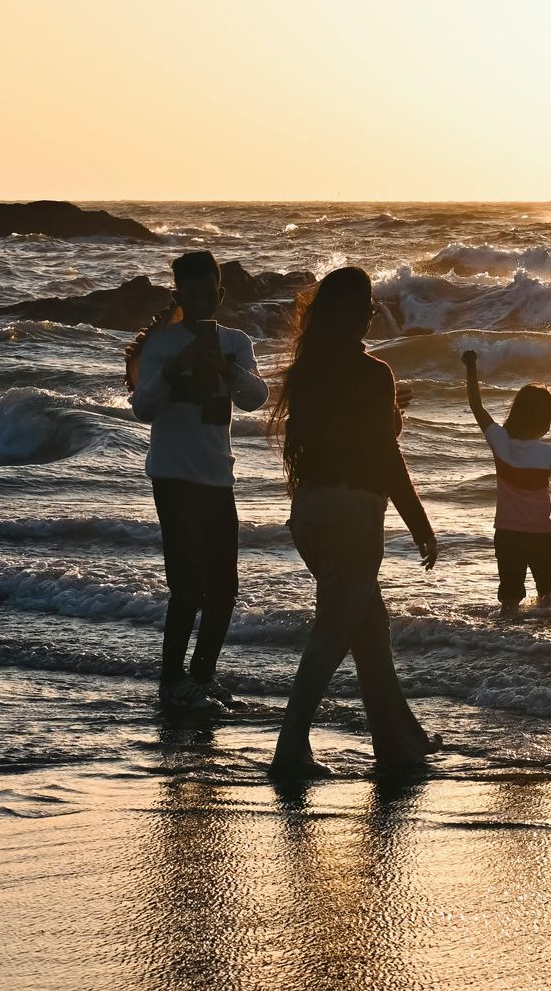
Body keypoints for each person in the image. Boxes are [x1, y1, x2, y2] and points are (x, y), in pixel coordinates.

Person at [268, 266, 440, 779]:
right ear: (360, 312)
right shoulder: (372, 373)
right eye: (368, 306)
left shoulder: (308, 370)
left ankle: (398, 740)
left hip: (310, 511)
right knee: (333, 636)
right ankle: (290, 748)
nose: (371, 313)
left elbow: (341, 439)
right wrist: (419, 523)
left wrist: (388, 415)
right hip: (352, 517)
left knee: (369, 630)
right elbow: (383, 456)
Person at [127, 250, 271, 710]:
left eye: (210, 291)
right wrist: (176, 367)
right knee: (186, 584)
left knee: (225, 588)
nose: (203, 299)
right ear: (179, 296)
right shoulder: (161, 345)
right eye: (192, 293)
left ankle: (203, 674)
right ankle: (172, 679)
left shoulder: (236, 342)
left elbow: (257, 399)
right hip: (171, 474)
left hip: (217, 475)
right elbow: (142, 408)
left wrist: (225, 368)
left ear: (220, 293)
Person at [460, 348, 551, 615]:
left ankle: (509, 640)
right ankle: (543, 647)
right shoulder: (549, 454)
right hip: (540, 537)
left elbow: (476, 405)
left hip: (507, 535)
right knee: (548, 594)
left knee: (510, 598)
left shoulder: (500, 442)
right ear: (545, 421)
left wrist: (471, 367)